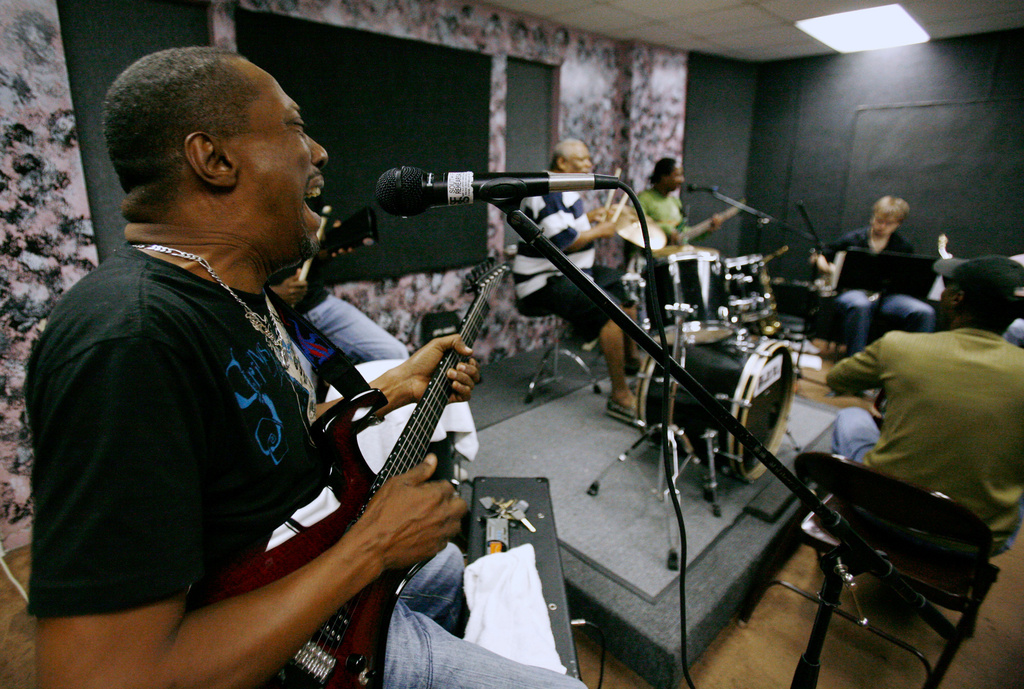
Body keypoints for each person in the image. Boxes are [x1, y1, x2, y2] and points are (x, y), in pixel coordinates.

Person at [26, 47, 584, 689]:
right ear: (213, 158)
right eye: (293, 127)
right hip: (288, 639)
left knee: (445, 567)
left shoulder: (236, 290)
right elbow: (102, 677)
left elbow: (255, 445)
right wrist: (370, 547)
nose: (318, 152)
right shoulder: (129, 340)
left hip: (322, 553)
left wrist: (384, 390)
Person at [826, 255, 1024, 554]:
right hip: (973, 540)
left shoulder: (899, 346)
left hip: (878, 512)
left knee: (853, 415)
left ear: (956, 299)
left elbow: (838, 378)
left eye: (948, 286)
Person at [512, 138, 638, 422]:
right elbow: (565, 242)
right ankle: (619, 395)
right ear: (562, 164)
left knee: (629, 285)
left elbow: (566, 226)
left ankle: (632, 364)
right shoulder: (546, 190)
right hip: (544, 280)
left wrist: (591, 218)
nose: (589, 165)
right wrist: (602, 230)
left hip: (576, 271)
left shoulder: (566, 190)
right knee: (610, 312)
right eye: (582, 160)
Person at [813, 195, 936, 355]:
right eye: (879, 220)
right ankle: (855, 361)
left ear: (898, 224)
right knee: (860, 305)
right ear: (873, 217)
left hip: (888, 297)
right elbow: (822, 254)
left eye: (889, 223)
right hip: (853, 292)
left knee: (924, 312)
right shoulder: (853, 239)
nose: (882, 226)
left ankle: (910, 363)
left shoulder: (903, 246)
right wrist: (824, 265)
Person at [268, 243, 410, 367]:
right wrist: (272, 293)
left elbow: (307, 255)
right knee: (303, 387)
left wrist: (325, 250)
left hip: (317, 303)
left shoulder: (299, 215)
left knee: (396, 354)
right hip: (275, 314)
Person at [637, 157, 726, 244]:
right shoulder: (644, 198)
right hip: (651, 255)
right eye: (677, 175)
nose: (682, 180)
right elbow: (635, 225)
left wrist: (707, 229)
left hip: (674, 254)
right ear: (664, 177)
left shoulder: (675, 201)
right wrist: (668, 230)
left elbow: (683, 233)